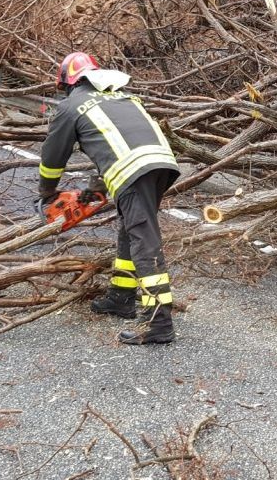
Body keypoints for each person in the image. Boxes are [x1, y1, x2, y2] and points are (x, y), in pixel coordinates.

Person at [38, 52, 180, 345]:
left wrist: (46, 193)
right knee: (131, 231)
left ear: (67, 82)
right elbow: (120, 141)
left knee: (143, 239)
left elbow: (53, 158)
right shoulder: (122, 97)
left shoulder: (71, 107)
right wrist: (98, 186)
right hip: (161, 164)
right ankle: (121, 297)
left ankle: (158, 323)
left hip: (134, 170)